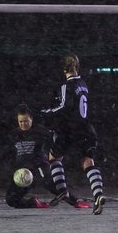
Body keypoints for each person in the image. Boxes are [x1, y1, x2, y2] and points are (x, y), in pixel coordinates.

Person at [40, 54, 106, 214]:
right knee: (88, 161)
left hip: (70, 129)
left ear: (64, 69)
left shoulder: (66, 86)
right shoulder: (83, 84)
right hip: (87, 128)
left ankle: (62, 191)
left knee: (53, 158)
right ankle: (98, 194)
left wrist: (45, 112)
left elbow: (64, 106)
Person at [0, 104, 63, 210]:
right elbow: (5, 151)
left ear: (31, 119)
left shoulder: (40, 132)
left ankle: (73, 200)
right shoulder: (14, 134)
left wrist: (57, 153)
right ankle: (34, 203)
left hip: (36, 169)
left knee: (50, 185)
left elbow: (54, 142)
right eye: (21, 121)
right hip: (22, 174)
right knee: (11, 200)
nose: (23, 124)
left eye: (26, 121)